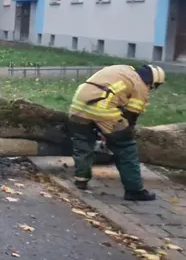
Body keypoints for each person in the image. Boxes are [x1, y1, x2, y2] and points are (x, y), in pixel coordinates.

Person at [68, 64, 165, 201]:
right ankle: (134, 191)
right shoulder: (141, 86)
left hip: (78, 106)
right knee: (126, 148)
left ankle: (81, 180)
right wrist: (124, 132)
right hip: (103, 110)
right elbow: (132, 114)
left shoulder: (122, 69)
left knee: (82, 143)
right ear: (153, 82)